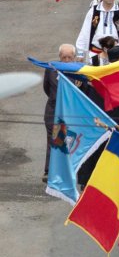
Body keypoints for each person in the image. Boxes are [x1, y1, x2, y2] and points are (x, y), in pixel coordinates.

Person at [42, 43, 77, 182]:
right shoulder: (51, 69)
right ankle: (49, 171)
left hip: (71, 113)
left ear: (74, 58)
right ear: (59, 57)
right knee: (54, 140)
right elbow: (47, 88)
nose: (66, 60)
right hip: (53, 110)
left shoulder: (78, 71)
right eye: (64, 57)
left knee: (67, 141)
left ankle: (67, 171)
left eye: (69, 57)